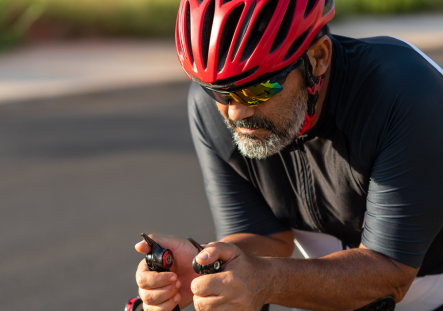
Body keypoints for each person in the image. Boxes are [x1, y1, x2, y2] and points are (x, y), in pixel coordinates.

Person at [134, 0, 443, 310]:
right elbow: (264, 236)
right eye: (217, 90)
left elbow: (390, 273)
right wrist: (209, 262)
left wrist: (266, 279)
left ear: (318, 58)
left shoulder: (405, 95)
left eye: (256, 90)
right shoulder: (211, 110)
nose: (236, 113)